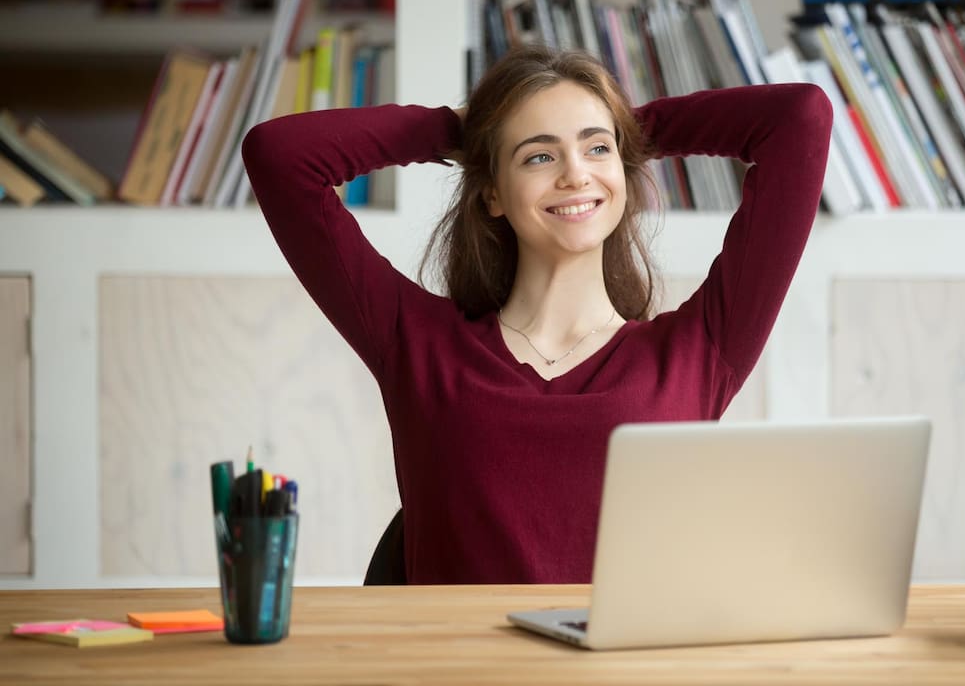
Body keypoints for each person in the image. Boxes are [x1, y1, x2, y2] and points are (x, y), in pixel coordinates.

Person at [242, 45, 832, 585]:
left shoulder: (699, 350)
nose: (576, 173)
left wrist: (621, 125)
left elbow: (799, 119)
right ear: (492, 193)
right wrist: (467, 130)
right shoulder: (414, 341)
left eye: (597, 149)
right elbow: (281, 156)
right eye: (539, 155)